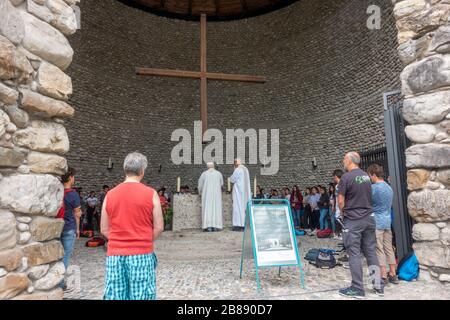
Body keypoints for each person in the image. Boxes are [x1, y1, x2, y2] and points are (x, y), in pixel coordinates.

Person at [100, 152, 164, 300]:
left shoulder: (110, 194)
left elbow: (104, 229)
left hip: (115, 255)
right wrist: (143, 240)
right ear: (142, 171)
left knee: (115, 295)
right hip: (141, 253)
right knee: (141, 294)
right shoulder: (151, 193)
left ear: (124, 170)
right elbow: (159, 226)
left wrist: (119, 240)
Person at [338, 152, 384, 298]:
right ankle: (378, 286)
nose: (343, 162)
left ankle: (357, 288)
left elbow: (340, 201)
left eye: (344, 159)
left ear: (350, 161)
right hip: (369, 219)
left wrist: (343, 212)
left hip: (353, 220)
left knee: (354, 253)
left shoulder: (346, 177)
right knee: (371, 252)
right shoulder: (366, 176)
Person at [367, 164, 398, 285]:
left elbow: (368, 203)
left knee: (379, 248)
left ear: (374, 174)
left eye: (370, 175)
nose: (370, 178)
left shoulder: (373, 188)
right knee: (389, 248)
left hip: (377, 221)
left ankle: (384, 275)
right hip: (387, 220)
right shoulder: (389, 188)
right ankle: (393, 274)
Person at [59, 167, 82, 289]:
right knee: (65, 256)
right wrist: (78, 230)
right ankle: (61, 283)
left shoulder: (57, 191)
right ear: (70, 177)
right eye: (73, 176)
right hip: (69, 228)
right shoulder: (73, 194)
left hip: (57, 228)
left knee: (56, 256)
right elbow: (77, 214)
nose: (74, 179)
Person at [198, 162, 224, 232]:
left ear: (207, 167)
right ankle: (216, 226)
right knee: (216, 209)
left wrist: (200, 192)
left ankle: (208, 226)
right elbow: (222, 184)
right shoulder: (219, 174)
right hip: (216, 196)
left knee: (208, 209)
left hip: (207, 196)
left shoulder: (204, 174)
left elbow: (200, 185)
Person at [230, 158, 251, 231]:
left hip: (238, 192)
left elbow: (232, 179)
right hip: (245, 192)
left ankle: (238, 225)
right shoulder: (246, 169)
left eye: (234, 163)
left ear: (236, 163)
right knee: (243, 207)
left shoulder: (238, 169)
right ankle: (245, 223)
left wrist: (231, 175)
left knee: (237, 208)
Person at [332, 169, 344, 240]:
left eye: (333, 177)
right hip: (340, 206)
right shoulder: (344, 184)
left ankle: (341, 234)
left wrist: (340, 209)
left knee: (339, 219)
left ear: (336, 176)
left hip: (340, 207)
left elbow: (339, 199)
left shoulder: (338, 186)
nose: (333, 179)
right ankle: (340, 234)